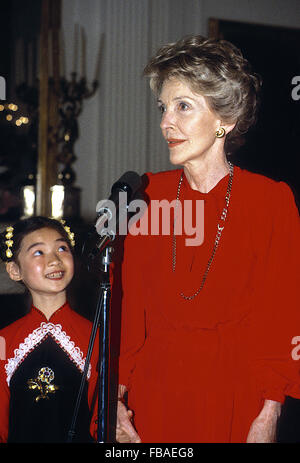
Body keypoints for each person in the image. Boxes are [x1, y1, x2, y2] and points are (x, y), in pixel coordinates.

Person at [114, 35, 300, 443]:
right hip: (153, 394)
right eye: (163, 107)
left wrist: (270, 411)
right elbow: (128, 309)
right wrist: (116, 395)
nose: (166, 122)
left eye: (183, 106)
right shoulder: (147, 195)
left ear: (225, 120)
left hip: (234, 395)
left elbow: (282, 314)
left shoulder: (270, 201)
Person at [0, 217, 99, 443]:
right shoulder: (4, 341)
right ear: (15, 270)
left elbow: (100, 421)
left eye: (62, 248)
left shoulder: (97, 336)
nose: (54, 260)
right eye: (38, 252)